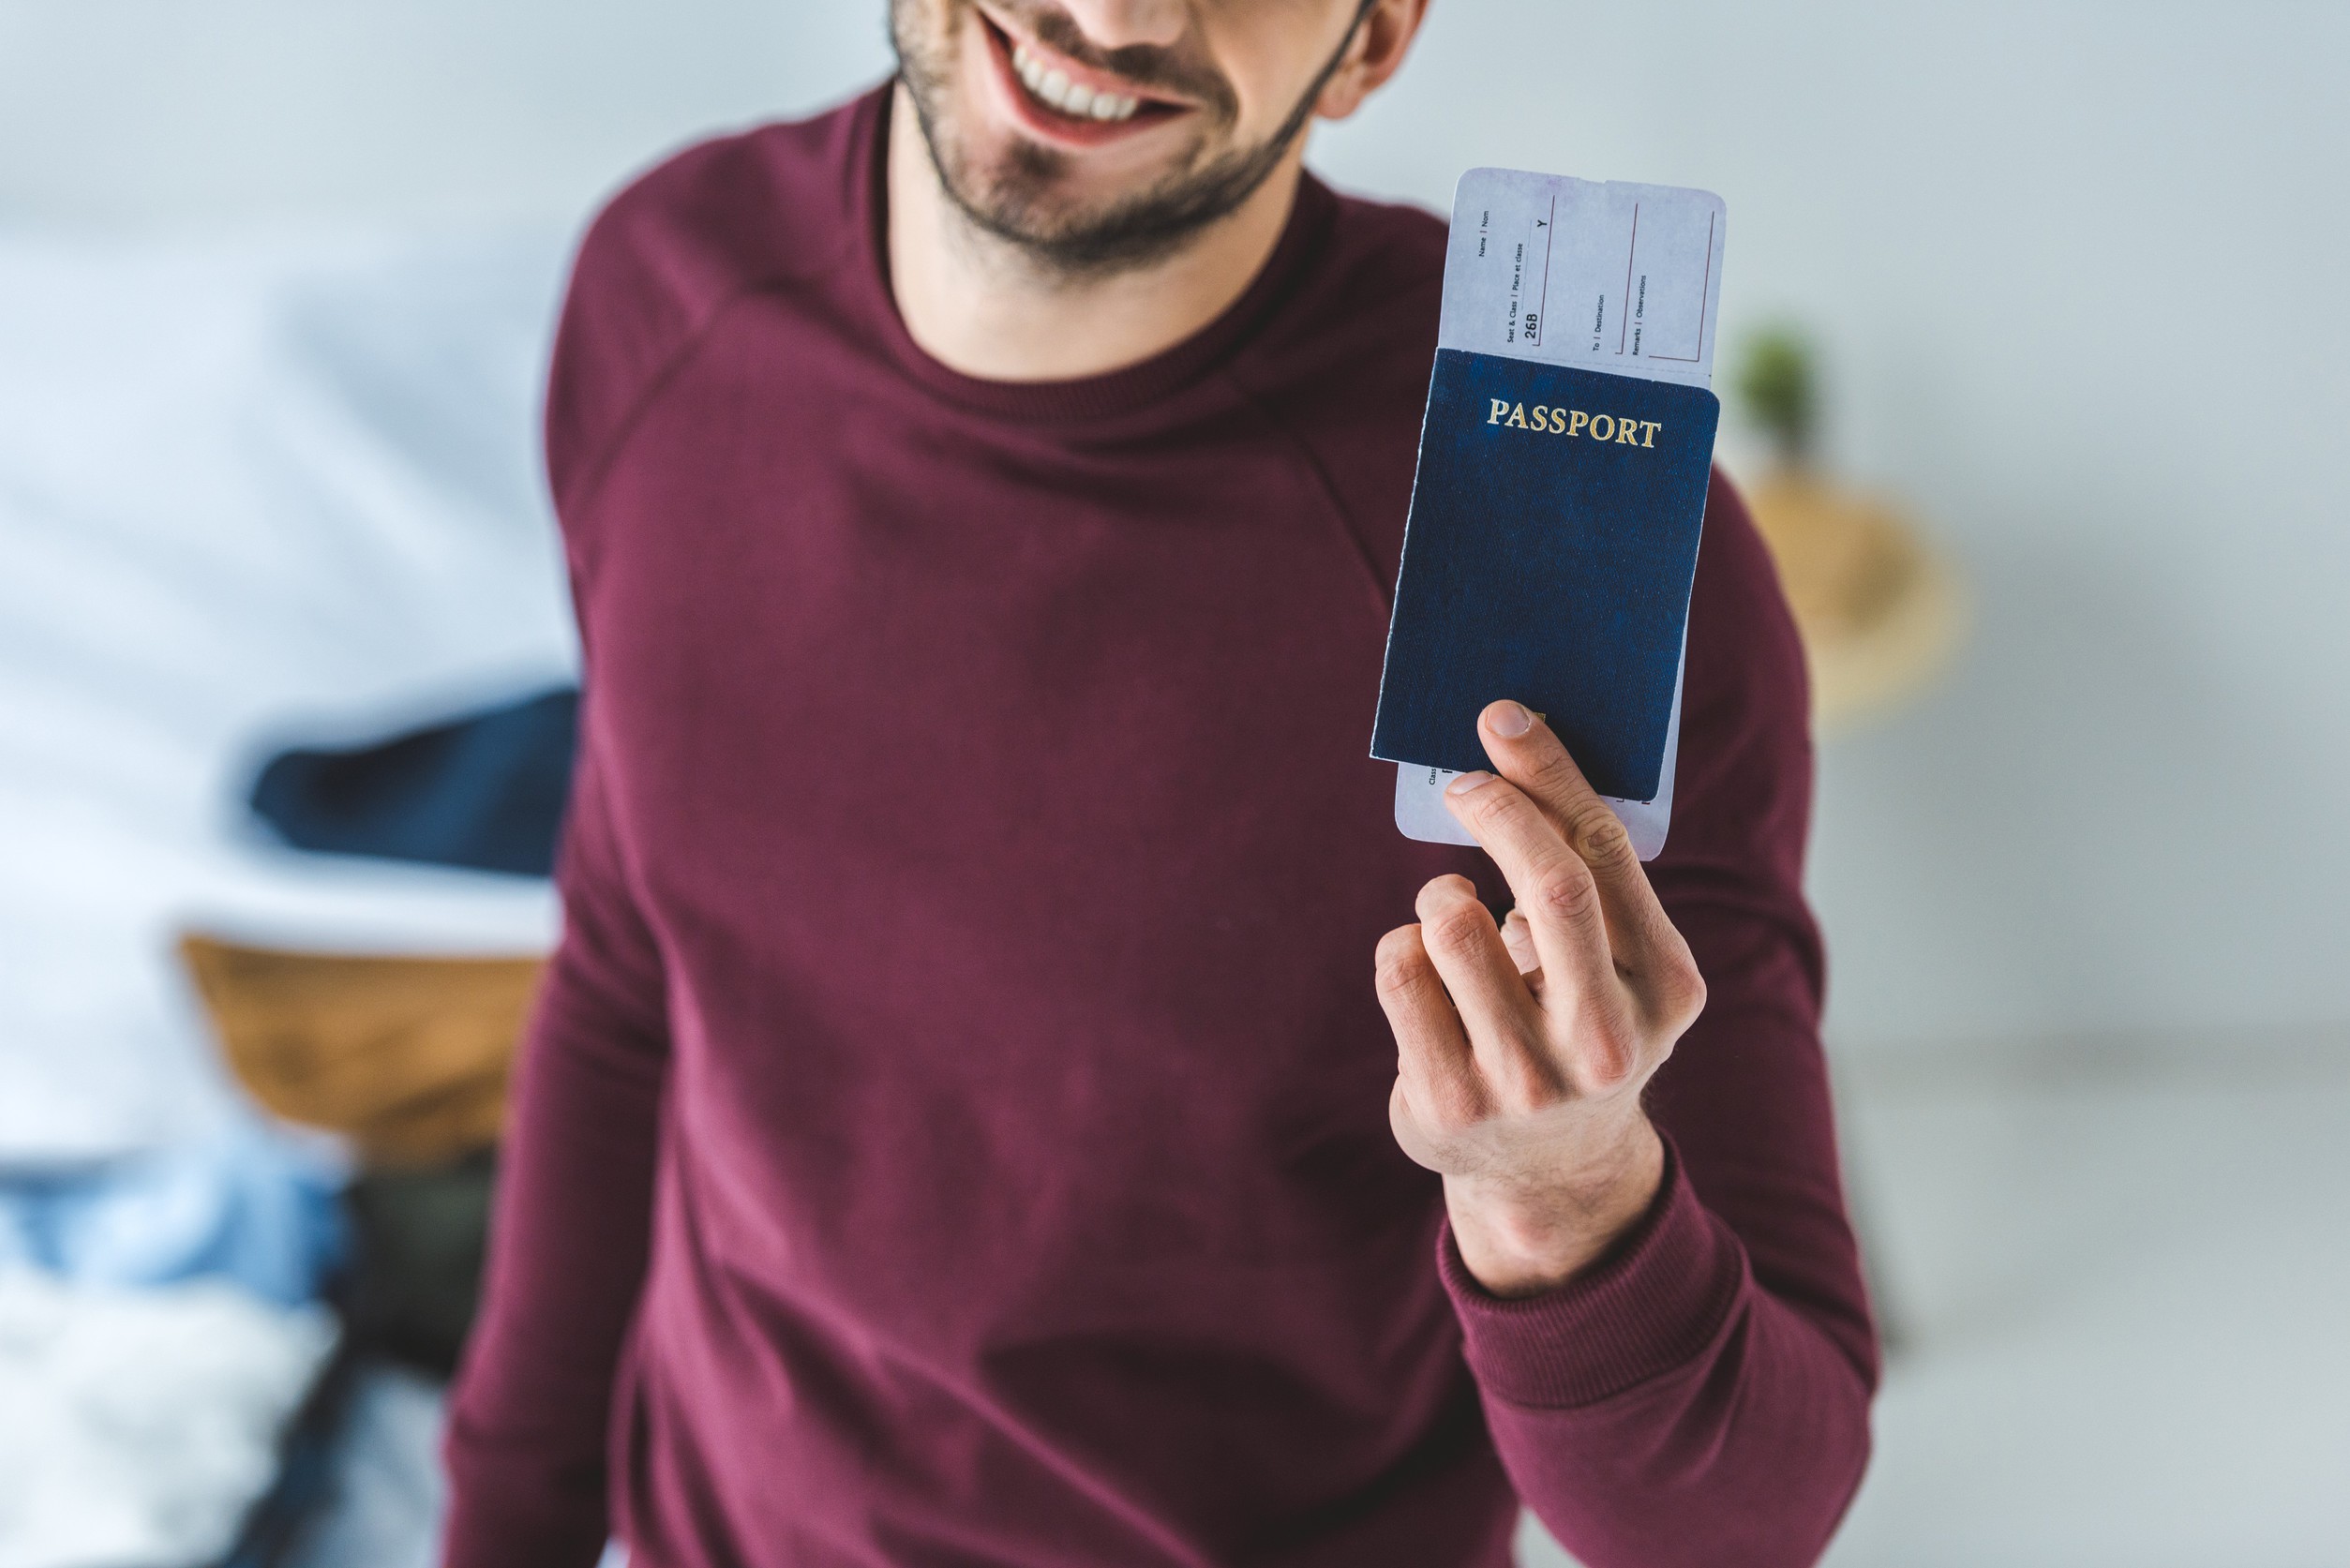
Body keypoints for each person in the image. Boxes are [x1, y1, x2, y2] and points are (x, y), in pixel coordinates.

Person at [441, 2, 1878, 1564]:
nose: (1117, 15)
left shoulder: (1561, 549)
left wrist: (1567, 1200)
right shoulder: (666, 290)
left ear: (1373, 36)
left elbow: (1746, 1526)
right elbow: (629, 974)